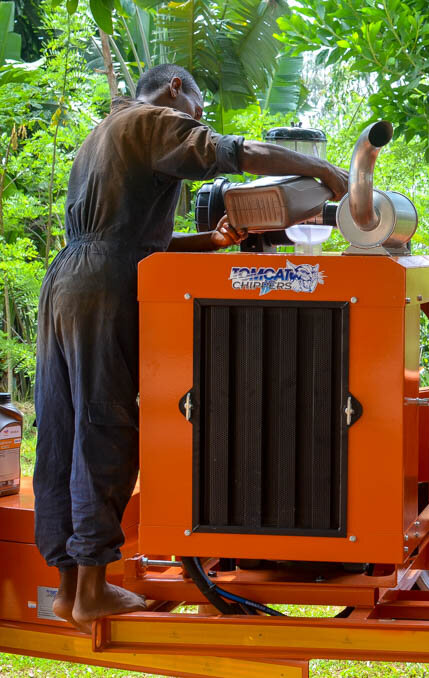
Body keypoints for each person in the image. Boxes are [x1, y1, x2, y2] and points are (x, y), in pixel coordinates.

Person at [33, 64, 349, 632]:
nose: (194, 123)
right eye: (196, 113)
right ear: (177, 89)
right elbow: (233, 151)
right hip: (105, 286)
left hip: (66, 281)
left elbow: (130, 237)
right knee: (104, 426)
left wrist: (213, 241)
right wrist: (318, 166)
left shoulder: (102, 134)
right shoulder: (154, 118)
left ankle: (66, 589)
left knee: (62, 428)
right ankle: (93, 591)